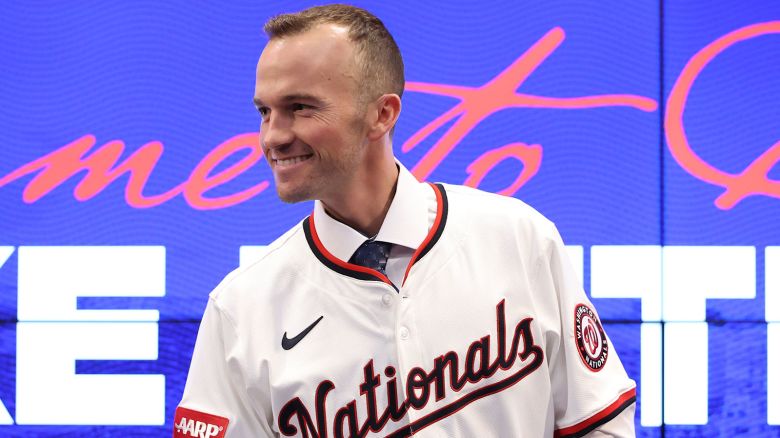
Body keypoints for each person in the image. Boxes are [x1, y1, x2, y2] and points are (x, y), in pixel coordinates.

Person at [175, 4, 636, 437]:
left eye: (300, 107)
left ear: (382, 114)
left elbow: (599, 422)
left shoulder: (516, 236)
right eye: (265, 111)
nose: (272, 136)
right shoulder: (240, 307)